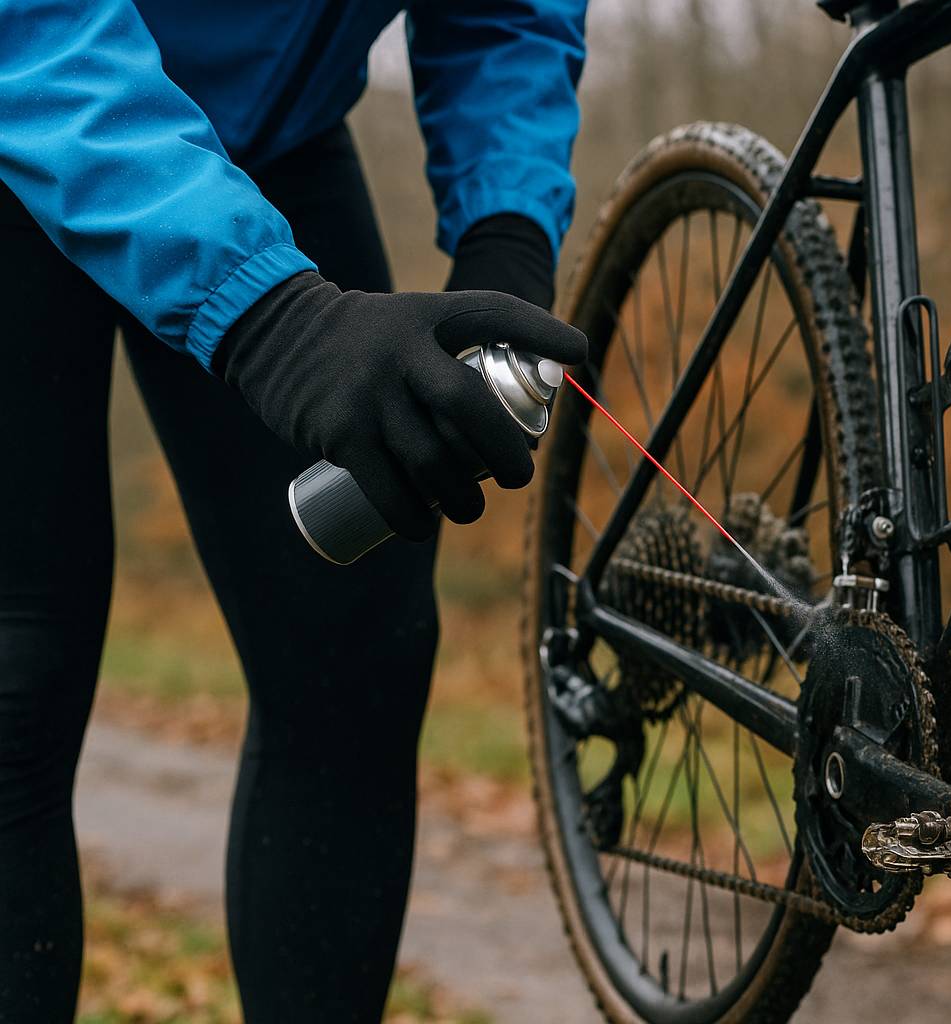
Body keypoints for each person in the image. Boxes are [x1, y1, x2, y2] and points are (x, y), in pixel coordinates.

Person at [0, 2, 588, 1020]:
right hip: (27, 86)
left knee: (355, 653)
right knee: (16, 672)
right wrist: (271, 319)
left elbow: (506, 13)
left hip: (271, 136)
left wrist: (506, 232)